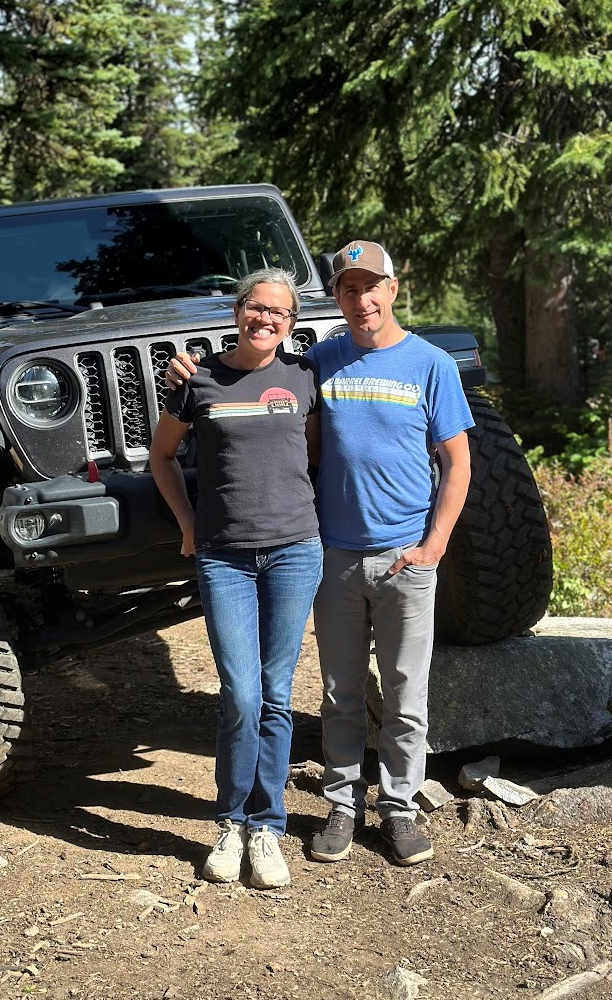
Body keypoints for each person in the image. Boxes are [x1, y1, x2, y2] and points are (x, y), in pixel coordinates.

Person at [166, 241, 473, 868]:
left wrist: (435, 544)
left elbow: (458, 461)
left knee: (407, 689)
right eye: (347, 289)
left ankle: (400, 807)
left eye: (371, 287)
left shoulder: (431, 364)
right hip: (330, 553)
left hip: (405, 556)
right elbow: (267, 422)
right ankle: (340, 803)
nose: (361, 299)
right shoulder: (320, 363)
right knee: (336, 690)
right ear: (334, 298)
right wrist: (187, 374)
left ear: (392, 288)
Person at [149, 268, 322, 889]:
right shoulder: (198, 381)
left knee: (276, 694)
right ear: (238, 311)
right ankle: (231, 822)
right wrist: (188, 524)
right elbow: (161, 457)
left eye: (280, 312)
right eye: (257, 308)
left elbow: (318, 451)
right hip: (223, 556)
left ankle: (268, 827)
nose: (266, 319)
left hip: (296, 551)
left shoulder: (304, 377)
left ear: (291, 323)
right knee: (241, 694)